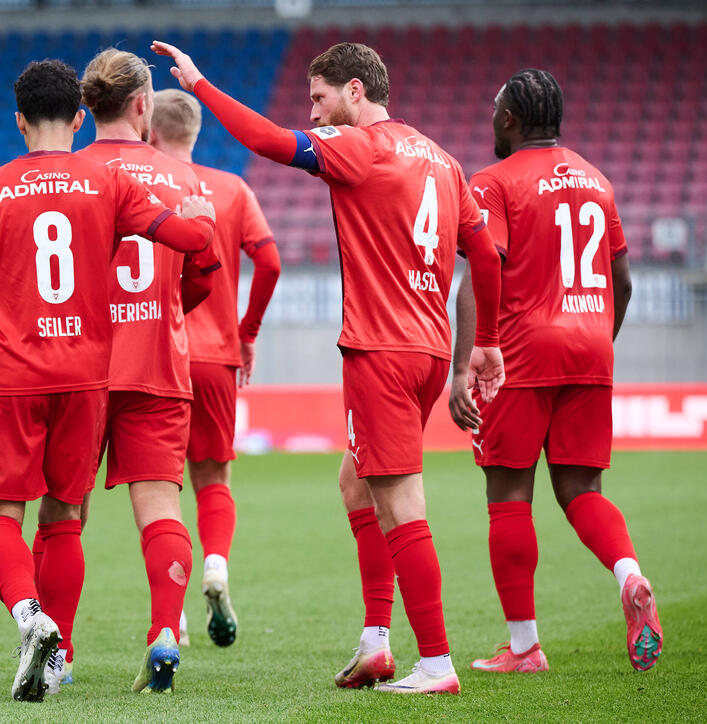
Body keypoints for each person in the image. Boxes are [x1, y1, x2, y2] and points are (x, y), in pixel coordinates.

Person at [153, 40, 505, 695]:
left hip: (382, 350)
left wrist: (200, 84)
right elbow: (484, 255)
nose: (313, 113)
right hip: (427, 350)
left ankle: (436, 663)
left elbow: (264, 139)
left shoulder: (359, 145)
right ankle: (376, 642)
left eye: (319, 98)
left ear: (355, 91)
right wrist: (481, 344)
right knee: (355, 485)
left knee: (402, 503)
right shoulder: (443, 161)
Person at [0, 59, 215, 701]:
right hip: (88, 376)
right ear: (78, 119)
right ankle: (75, 650)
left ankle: (37, 625)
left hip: (13, 375)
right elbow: (190, 239)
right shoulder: (108, 182)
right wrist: (201, 217)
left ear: (19, 119)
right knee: (62, 518)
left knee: (0, 513)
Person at [451, 69, 661, 674]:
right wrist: (596, 341)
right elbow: (623, 281)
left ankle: (524, 648)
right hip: (592, 348)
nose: (491, 120)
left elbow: (483, 269)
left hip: (518, 351)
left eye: (495, 110)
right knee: (581, 492)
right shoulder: (598, 181)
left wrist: (467, 361)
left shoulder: (493, 182)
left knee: (509, 497)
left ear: (511, 119)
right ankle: (630, 574)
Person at [72, 48, 219, 693]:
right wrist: (162, 313)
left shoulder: (67, 176)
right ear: (142, 108)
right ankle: (164, 628)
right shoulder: (185, 180)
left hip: (80, 364)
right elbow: (203, 276)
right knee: (160, 505)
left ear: (87, 109)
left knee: (62, 509)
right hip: (159, 358)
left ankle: (60, 653)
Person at [150, 88, 282, 648]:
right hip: (218, 356)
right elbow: (270, 261)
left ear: (149, 130)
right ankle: (218, 566)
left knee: (161, 489)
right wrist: (246, 332)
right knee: (214, 478)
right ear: (197, 131)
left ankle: (172, 616)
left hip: (158, 354)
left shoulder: (144, 183)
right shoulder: (231, 188)